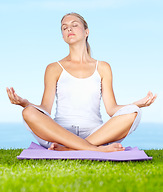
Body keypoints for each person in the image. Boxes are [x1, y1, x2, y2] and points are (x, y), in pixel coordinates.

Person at [6, 12, 157, 152]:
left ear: (86, 32)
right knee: (28, 112)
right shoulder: (53, 68)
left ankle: (71, 149)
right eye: (64, 28)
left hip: (96, 133)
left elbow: (111, 109)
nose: (69, 29)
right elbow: (45, 109)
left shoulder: (103, 67)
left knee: (135, 112)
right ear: (63, 37)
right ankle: (94, 149)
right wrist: (24, 103)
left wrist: (138, 104)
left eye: (74, 25)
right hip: (59, 133)